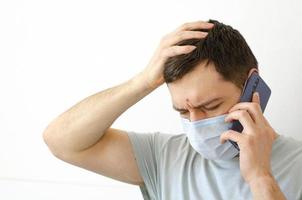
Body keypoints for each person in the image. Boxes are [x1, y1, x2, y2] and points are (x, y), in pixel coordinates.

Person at [43, 19, 302, 200]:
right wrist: (142, 82)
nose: (197, 123)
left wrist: (260, 178)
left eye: (210, 106)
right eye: (182, 111)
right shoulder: (164, 157)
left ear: (251, 87)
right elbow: (62, 141)